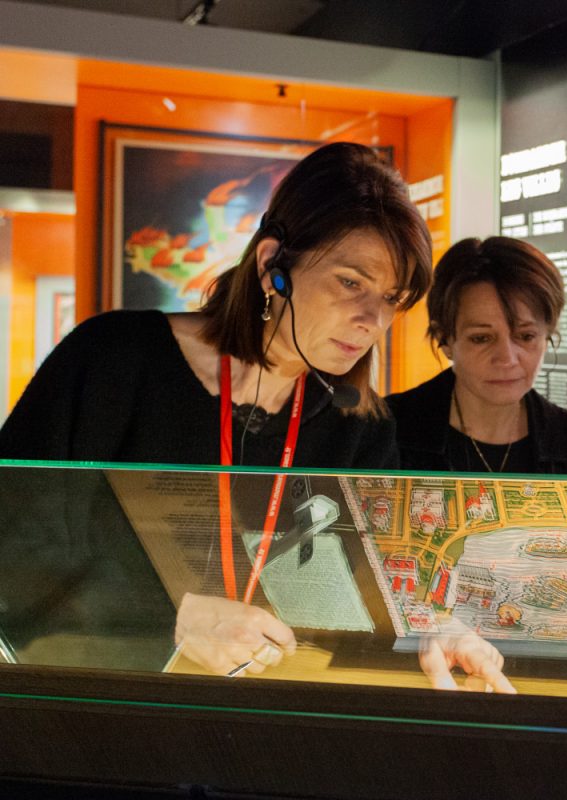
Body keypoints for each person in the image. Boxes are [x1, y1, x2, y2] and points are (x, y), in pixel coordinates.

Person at [0, 142, 512, 692]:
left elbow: (373, 585)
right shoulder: (113, 360)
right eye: (351, 283)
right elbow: (17, 550)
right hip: (97, 699)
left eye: (391, 298)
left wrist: (431, 628)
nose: (372, 320)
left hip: (268, 707)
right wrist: (172, 616)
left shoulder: (360, 425)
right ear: (273, 267)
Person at [387, 236, 567, 475]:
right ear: (445, 339)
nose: (507, 358)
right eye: (481, 338)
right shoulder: (387, 431)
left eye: (525, 336)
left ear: (548, 335)